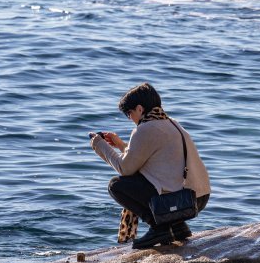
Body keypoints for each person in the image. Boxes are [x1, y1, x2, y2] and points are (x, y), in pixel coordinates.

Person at [90, 82, 211, 248]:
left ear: (140, 109)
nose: (130, 119)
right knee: (140, 181)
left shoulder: (145, 129)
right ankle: (177, 227)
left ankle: (159, 228)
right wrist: (120, 145)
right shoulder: (172, 123)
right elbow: (149, 158)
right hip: (198, 197)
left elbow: (125, 168)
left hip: (183, 200)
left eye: (129, 114)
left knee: (116, 185)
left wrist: (99, 145)